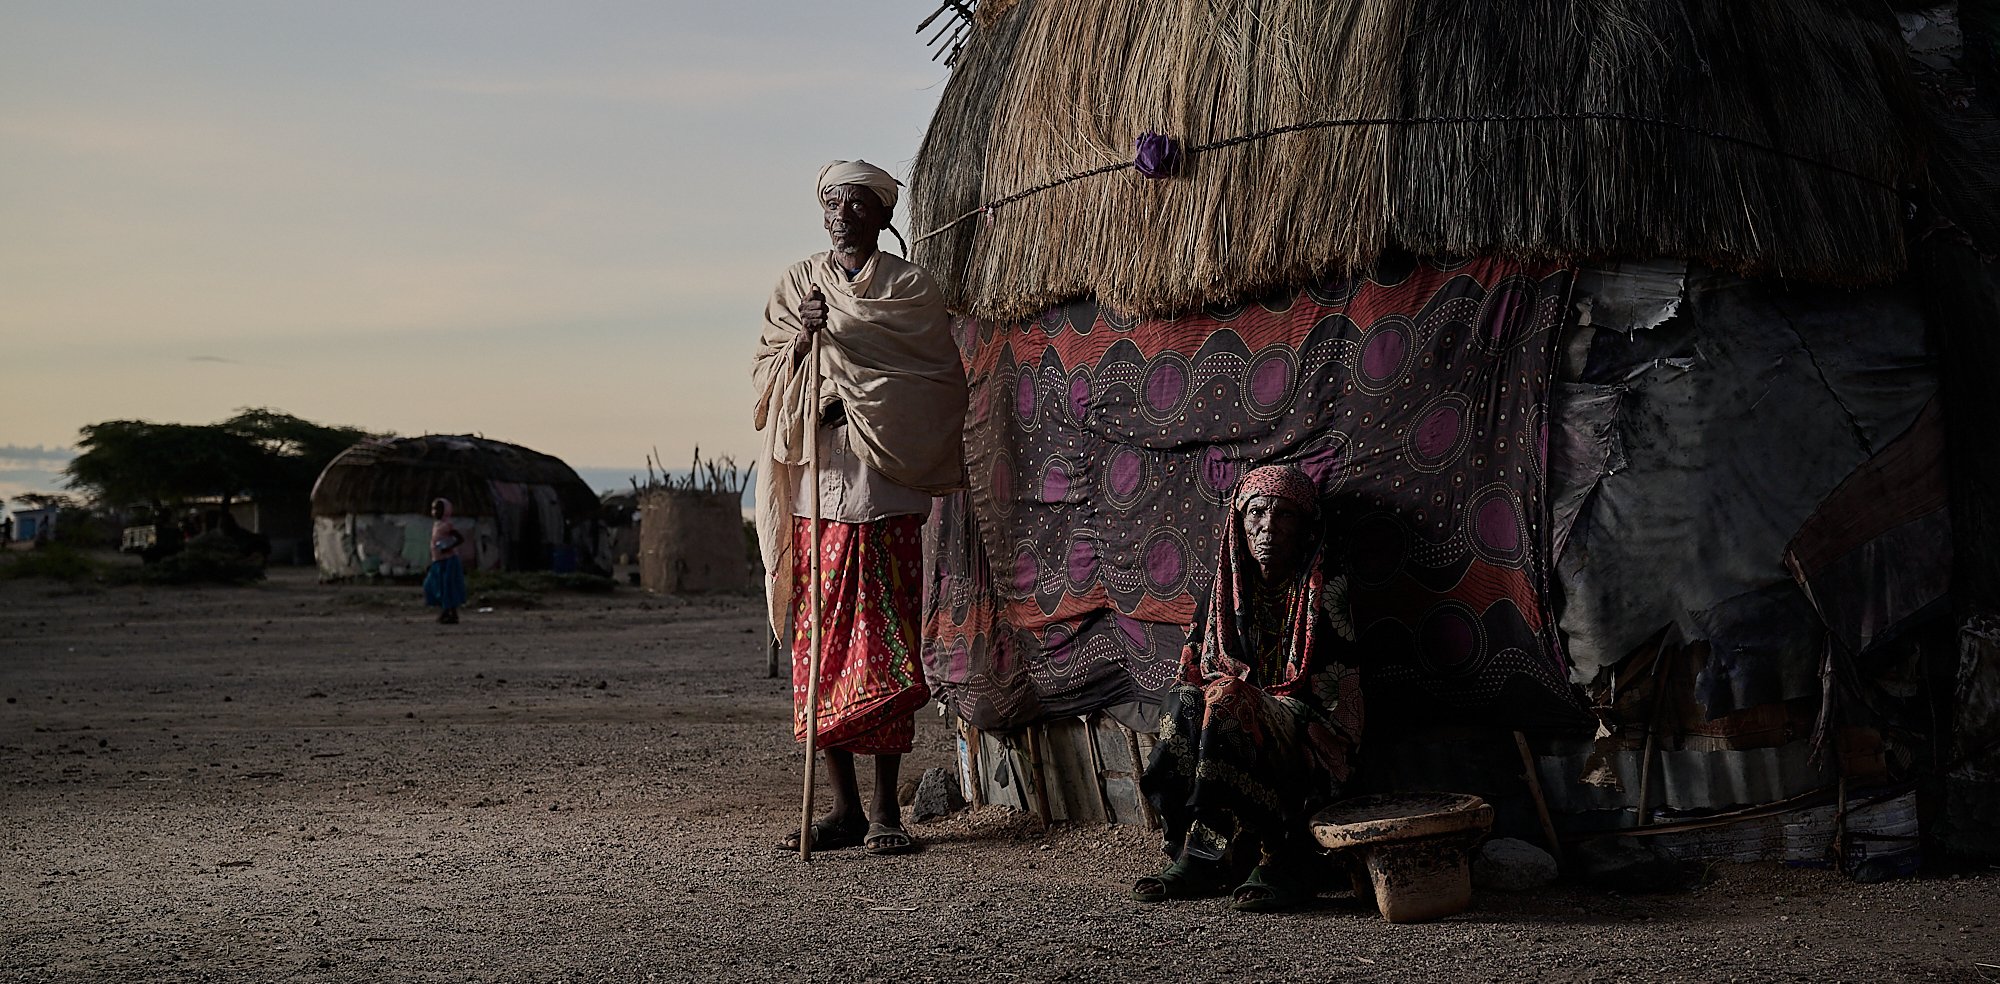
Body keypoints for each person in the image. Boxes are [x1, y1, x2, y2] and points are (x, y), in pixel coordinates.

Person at [752, 160, 968, 855]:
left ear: (880, 215)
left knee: (882, 649)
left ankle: (886, 815)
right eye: (832, 204)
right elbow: (764, 378)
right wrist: (800, 346)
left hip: (884, 498)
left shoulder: (909, 289)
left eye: (856, 204)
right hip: (817, 492)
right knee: (823, 656)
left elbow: (936, 385)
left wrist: (869, 399)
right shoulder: (797, 287)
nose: (842, 214)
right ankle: (842, 812)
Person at [1134, 464, 1365, 911]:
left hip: (1306, 729)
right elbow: (1193, 670)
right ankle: (1204, 851)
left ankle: (1285, 855)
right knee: (1184, 700)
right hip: (1227, 724)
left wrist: (1247, 702)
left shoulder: (1324, 590)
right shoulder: (1221, 593)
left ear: (1305, 526)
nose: (1269, 528)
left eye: (1285, 516)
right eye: (1256, 513)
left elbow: (1335, 697)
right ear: (1238, 523)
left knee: (1224, 698)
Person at [422, 498, 467, 625]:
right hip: (438, 561)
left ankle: (449, 613)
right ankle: (448, 612)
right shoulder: (436, 525)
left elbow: (460, 539)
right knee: (435, 586)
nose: (435, 512)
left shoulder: (447, 525)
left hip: (448, 561)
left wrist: (448, 547)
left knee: (448, 588)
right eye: (433, 509)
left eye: (439, 509)